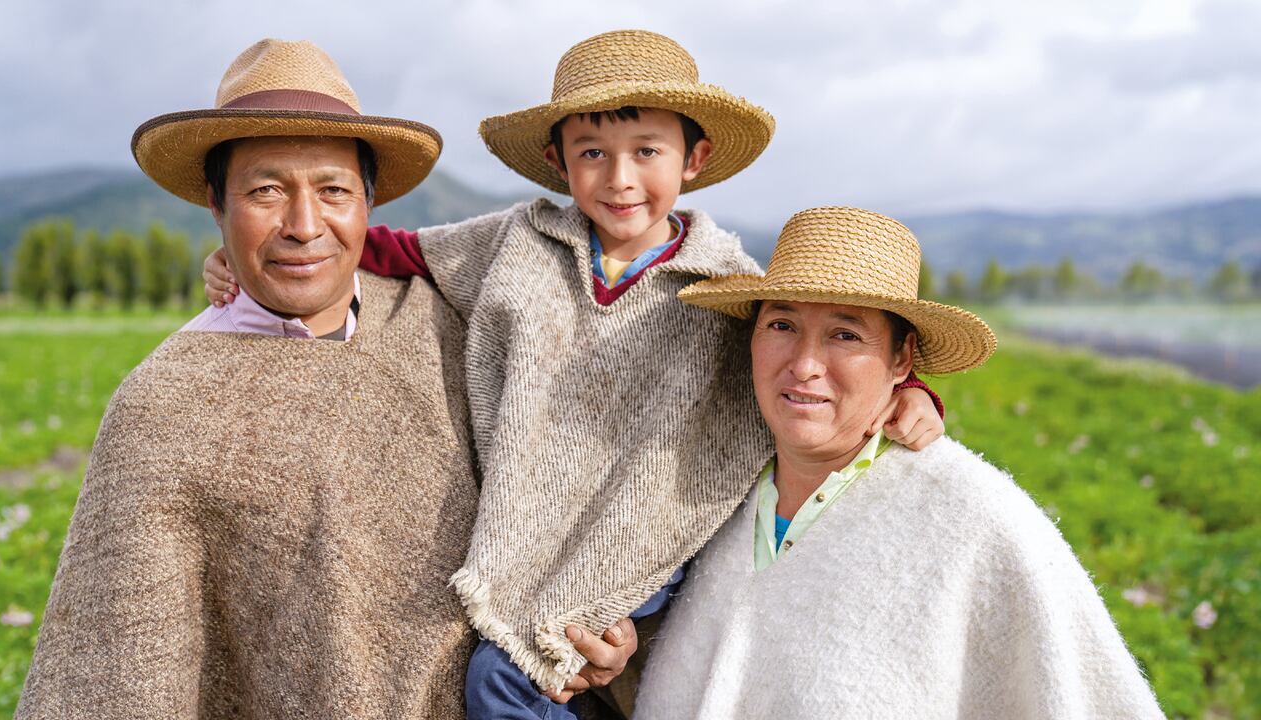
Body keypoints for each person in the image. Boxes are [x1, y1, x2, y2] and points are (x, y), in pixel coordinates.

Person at [203, 30, 948, 718]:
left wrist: (910, 395)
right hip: (532, 524)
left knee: (501, 676)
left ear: (693, 160)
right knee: (501, 665)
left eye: (647, 152)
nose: (620, 180)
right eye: (592, 153)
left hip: (646, 531)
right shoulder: (518, 243)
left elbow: (804, 357)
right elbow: (396, 249)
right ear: (559, 161)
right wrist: (257, 258)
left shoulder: (723, 283)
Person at [17, 38, 474, 719]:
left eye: (333, 190)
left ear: (368, 206)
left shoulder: (440, 331)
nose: (303, 225)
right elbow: (117, 668)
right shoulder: (165, 405)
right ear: (217, 203)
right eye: (265, 191)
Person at [633, 207, 1165, 719]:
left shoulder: (977, 519)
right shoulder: (711, 481)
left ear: (902, 360)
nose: (804, 365)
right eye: (781, 325)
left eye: (846, 335)